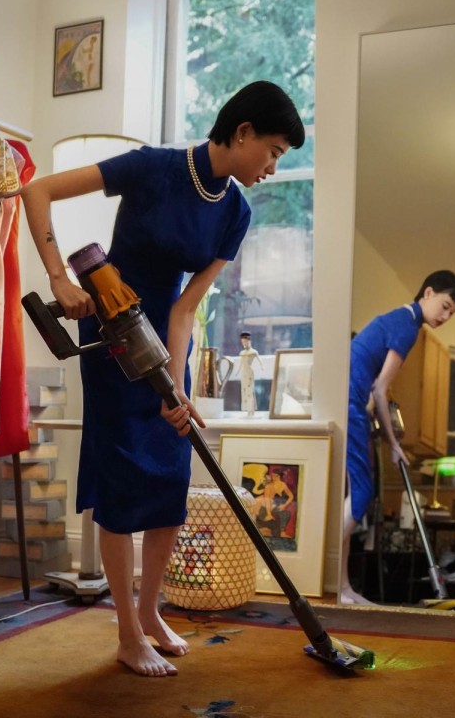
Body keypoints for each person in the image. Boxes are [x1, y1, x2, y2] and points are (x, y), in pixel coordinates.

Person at [20, 81, 304, 677]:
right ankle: (125, 632)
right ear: (244, 132)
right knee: (123, 489)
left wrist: (176, 390)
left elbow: (183, 309)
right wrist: (58, 278)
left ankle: (150, 614)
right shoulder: (152, 167)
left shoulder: (237, 211)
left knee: (170, 482)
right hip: (113, 342)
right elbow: (37, 189)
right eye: (274, 150)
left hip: (166, 345)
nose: (273, 167)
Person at [340, 271, 455, 606]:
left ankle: (343, 586)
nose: (445, 316)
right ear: (428, 292)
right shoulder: (407, 326)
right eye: (445, 306)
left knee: (357, 494)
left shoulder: (400, 319)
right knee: (363, 492)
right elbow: (380, 389)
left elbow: (376, 386)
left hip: (354, 403)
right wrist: (395, 446)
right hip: (348, 402)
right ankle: (337, 584)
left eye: (452, 313)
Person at [238, 331, 263, 416]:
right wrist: (237, 372)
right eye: (243, 342)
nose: (244, 344)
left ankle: (251, 409)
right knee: (244, 391)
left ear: (249, 341)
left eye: (245, 342)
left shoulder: (253, 352)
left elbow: (260, 361)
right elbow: (241, 364)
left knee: (250, 391)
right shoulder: (242, 353)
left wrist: (262, 367)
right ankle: (247, 409)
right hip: (243, 373)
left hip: (249, 372)